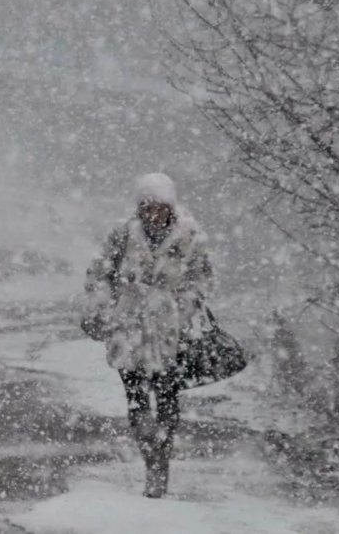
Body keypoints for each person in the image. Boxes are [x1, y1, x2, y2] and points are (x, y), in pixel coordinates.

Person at [82, 173, 214, 498]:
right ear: (139, 208)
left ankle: (161, 459)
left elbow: (202, 279)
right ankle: (149, 455)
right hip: (128, 328)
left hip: (171, 331)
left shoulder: (190, 237)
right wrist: (101, 309)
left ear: (171, 208)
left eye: (160, 208)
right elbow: (99, 274)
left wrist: (182, 308)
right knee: (137, 398)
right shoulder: (122, 234)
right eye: (148, 208)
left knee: (168, 397)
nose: (154, 214)